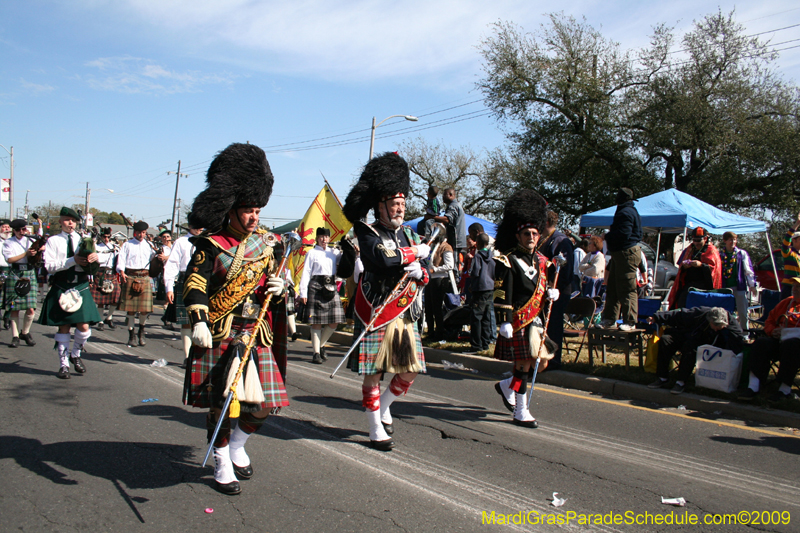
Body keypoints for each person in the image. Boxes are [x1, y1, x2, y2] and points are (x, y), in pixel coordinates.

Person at [182, 142, 289, 496]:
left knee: (261, 407)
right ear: (231, 210)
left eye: (257, 210)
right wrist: (198, 320)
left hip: (255, 333)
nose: (254, 216)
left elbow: (270, 290)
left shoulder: (269, 245)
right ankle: (222, 458)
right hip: (221, 330)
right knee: (222, 404)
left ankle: (239, 445)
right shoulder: (211, 245)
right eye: (247, 210)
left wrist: (280, 287)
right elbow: (195, 283)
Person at [342, 152, 430, 451]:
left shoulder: (408, 233)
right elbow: (382, 257)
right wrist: (412, 255)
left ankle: (384, 407)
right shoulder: (366, 231)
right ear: (381, 205)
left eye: (403, 205)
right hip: (376, 308)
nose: (400, 209)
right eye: (395, 204)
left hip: (404, 309)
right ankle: (374, 427)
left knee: (412, 368)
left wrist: (422, 271)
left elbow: (422, 272)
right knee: (374, 373)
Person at [492, 189, 559, 428]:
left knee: (541, 363)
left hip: (536, 320)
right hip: (518, 320)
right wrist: (504, 320)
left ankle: (506, 385)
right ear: (518, 236)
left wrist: (552, 293)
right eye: (526, 233)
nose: (530, 237)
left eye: (534, 233)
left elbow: (544, 288)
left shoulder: (542, 261)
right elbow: (501, 292)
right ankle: (521, 409)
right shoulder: (507, 260)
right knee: (523, 367)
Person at [39, 207, 103, 378]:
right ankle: (63, 365)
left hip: (81, 286)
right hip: (62, 286)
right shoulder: (53, 241)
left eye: (73, 221)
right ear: (60, 221)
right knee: (64, 327)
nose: (70, 223)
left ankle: (75, 354)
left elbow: (94, 264)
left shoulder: (84, 239)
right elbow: (49, 267)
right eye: (67, 220)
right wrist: (71, 260)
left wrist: (96, 258)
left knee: (84, 327)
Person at [647, 306, 745, 395]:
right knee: (665, 340)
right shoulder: (701, 313)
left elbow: (738, 339)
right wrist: (656, 317)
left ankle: (681, 382)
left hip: (705, 344)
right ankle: (662, 377)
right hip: (687, 334)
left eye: (719, 327)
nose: (716, 329)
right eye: (714, 326)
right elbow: (679, 315)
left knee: (689, 347)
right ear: (709, 320)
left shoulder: (732, 323)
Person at [738, 277, 800, 402]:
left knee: (791, 345)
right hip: (780, 340)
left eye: (798, 287)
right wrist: (773, 331)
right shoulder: (786, 302)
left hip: (795, 346)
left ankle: (784, 390)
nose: (794, 289)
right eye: (793, 286)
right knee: (761, 343)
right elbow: (769, 321)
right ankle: (753, 386)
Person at [298, 227, 347, 364]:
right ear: (317, 238)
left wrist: (349, 247)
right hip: (315, 286)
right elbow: (306, 272)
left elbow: (345, 260)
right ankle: (316, 353)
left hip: (331, 286)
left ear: (329, 238)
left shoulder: (334, 252)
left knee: (335, 321)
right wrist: (303, 292)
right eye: (321, 237)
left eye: (326, 237)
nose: (324, 239)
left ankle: (320, 344)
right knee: (316, 322)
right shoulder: (311, 253)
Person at [599, 188, 643, 331]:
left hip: (626, 252)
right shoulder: (630, 210)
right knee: (612, 287)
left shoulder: (625, 212)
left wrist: (608, 236)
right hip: (620, 253)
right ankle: (609, 319)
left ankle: (630, 321)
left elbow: (624, 233)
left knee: (627, 288)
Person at [537, 210, 573, 369]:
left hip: (558, 291)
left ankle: (554, 360)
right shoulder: (545, 240)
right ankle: (543, 357)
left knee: (553, 326)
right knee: (545, 325)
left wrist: (554, 286)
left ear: (545, 222)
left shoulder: (560, 241)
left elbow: (565, 269)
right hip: (544, 290)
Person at [117, 220, 163, 347]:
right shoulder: (127, 245)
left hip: (145, 277)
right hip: (131, 276)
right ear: (135, 232)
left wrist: (159, 256)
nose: (141, 235)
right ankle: (131, 335)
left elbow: (155, 260)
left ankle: (141, 332)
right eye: (139, 232)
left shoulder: (149, 245)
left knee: (144, 310)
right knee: (131, 311)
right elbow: (121, 259)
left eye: (143, 233)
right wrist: (121, 271)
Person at [164, 222, 203, 368]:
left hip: (204, 281)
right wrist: (169, 287)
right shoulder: (181, 242)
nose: (200, 228)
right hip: (184, 279)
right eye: (198, 225)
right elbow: (172, 264)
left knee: (200, 319)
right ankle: (187, 356)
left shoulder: (208, 241)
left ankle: (197, 354)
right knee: (186, 321)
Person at [2, 219, 43, 347]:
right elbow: (10, 259)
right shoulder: (8, 243)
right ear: (14, 231)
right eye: (19, 230)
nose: (22, 232)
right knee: (15, 308)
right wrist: (25, 253)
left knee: (30, 309)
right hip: (15, 273)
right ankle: (15, 336)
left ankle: (25, 332)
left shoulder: (30, 241)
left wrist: (39, 250)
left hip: (29, 273)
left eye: (23, 229)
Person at [667, 227, 722, 310]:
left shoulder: (711, 251)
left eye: (699, 240)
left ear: (705, 238)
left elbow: (714, 270)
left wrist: (701, 265)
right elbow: (681, 266)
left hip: (704, 288)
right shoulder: (689, 249)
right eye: (694, 240)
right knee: (681, 303)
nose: (696, 243)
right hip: (689, 285)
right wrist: (684, 266)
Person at [720, 231, 756, 330]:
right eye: (730, 240)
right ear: (725, 241)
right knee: (724, 312)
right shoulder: (721, 254)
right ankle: (726, 333)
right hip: (725, 288)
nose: (733, 242)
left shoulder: (741, 254)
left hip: (739, 287)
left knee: (743, 312)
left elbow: (748, 270)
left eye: (735, 239)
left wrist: (752, 285)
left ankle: (745, 333)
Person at [424, 222, 454, 340]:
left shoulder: (446, 246)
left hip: (439, 278)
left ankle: (439, 332)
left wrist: (435, 269)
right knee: (429, 307)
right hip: (430, 278)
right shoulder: (432, 245)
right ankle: (430, 332)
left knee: (437, 307)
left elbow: (450, 265)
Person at [466, 232, 494, 353]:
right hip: (490, 288)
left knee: (476, 317)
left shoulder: (477, 256)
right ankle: (485, 343)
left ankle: (476, 345)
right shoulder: (491, 256)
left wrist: (471, 282)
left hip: (479, 288)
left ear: (478, 243)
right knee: (486, 317)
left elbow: (475, 272)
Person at [428, 188, 466, 272]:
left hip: (455, 239)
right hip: (457, 239)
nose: (443, 197)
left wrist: (432, 217)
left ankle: (455, 280)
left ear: (451, 195)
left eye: (445, 195)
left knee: (454, 263)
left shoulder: (453, 205)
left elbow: (448, 219)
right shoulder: (455, 205)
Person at [91, 227, 121, 331]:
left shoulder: (115, 247)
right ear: (101, 236)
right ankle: (100, 321)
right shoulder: (96, 247)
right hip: (100, 273)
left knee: (116, 298)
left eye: (108, 237)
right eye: (104, 237)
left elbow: (119, 260)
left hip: (111, 273)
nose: (107, 239)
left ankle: (109, 318)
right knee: (101, 300)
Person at [780, 211, 800, 300]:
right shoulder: (788, 252)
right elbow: (787, 238)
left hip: (799, 287)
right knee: (785, 309)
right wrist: (797, 224)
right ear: (794, 240)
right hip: (789, 287)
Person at [0, 218, 10, 331]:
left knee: (10, 296)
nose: (7, 229)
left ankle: (7, 317)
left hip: (11, 270)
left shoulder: (12, 241)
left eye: (8, 227)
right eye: (4, 227)